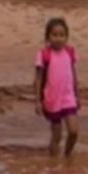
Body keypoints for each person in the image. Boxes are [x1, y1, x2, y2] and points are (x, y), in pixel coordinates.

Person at [34, 17, 82, 157]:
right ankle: (53, 164)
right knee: (56, 135)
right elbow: (38, 79)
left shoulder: (70, 52)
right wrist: (38, 101)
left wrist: (77, 95)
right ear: (48, 36)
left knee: (73, 131)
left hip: (68, 97)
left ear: (66, 36)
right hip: (52, 99)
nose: (58, 38)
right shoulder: (44, 55)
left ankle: (67, 156)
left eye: (62, 35)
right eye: (54, 35)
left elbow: (73, 74)